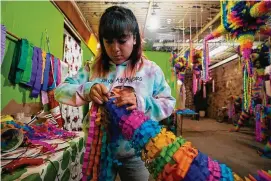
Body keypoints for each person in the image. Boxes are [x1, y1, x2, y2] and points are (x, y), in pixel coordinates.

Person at [55, 6, 176, 181]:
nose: (115, 49)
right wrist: (87, 90)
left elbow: (168, 103)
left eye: (122, 40)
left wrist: (141, 102)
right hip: (98, 151)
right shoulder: (93, 68)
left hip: (137, 152)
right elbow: (60, 91)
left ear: (134, 38)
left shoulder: (151, 70)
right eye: (109, 41)